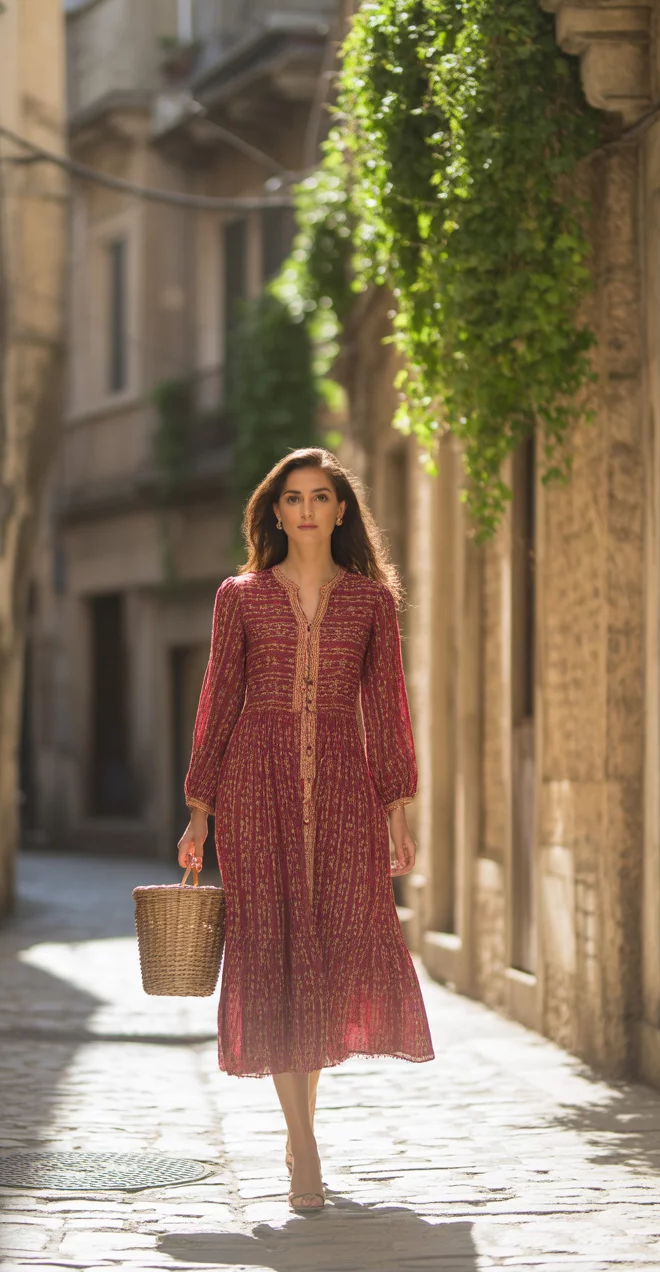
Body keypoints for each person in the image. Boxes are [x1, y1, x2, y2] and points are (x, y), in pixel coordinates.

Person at [177, 447, 434, 1214]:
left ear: (342, 510)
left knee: (317, 952)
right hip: (255, 792)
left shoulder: (371, 605)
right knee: (273, 947)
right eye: (293, 498)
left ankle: (301, 1131)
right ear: (277, 511)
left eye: (321, 497)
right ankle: (307, 1149)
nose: (308, 510)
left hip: (347, 797)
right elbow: (219, 699)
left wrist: (396, 813)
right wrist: (199, 809)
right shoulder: (241, 597)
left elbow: (387, 707)